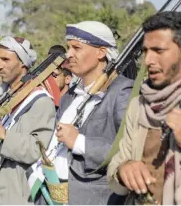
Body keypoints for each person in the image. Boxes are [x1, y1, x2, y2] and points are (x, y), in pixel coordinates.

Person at [107, 11, 181, 205]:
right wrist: (124, 170)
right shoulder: (138, 105)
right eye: (146, 51)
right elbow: (116, 165)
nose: (148, 61)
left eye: (159, 51)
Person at [35, 21, 134, 205]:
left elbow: (129, 151)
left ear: (101, 52)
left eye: (76, 48)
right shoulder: (70, 96)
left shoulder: (122, 92)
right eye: (68, 47)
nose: (69, 54)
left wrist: (79, 142)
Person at [0, 36, 56, 205]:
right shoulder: (6, 97)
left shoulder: (41, 101)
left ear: (23, 63)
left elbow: (36, 151)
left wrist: (3, 134)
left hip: (16, 195)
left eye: (6, 59)